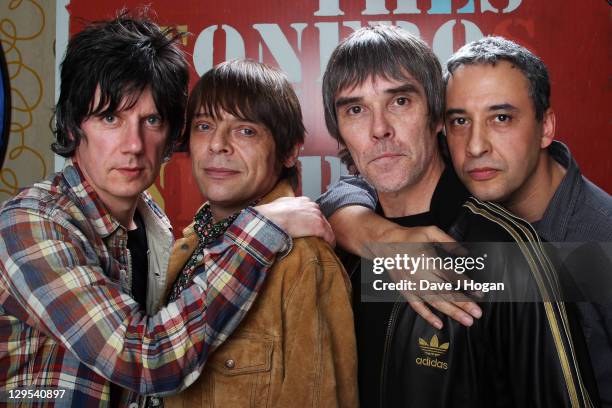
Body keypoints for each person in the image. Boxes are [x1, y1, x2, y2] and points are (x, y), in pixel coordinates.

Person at [0, 14, 332, 407]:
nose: (134, 145)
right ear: (74, 127)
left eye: (151, 120)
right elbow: (147, 361)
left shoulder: (153, 223)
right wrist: (262, 227)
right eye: (110, 118)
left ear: (173, 133)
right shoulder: (31, 222)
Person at [319, 35, 612, 404]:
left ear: (433, 116)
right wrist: (380, 238)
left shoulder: (513, 254)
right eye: (355, 110)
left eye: (401, 101)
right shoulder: (332, 237)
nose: (379, 129)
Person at [162, 59, 357, 408]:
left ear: (288, 150)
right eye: (204, 126)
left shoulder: (302, 260)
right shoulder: (187, 242)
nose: (217, 145)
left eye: (245, 130)